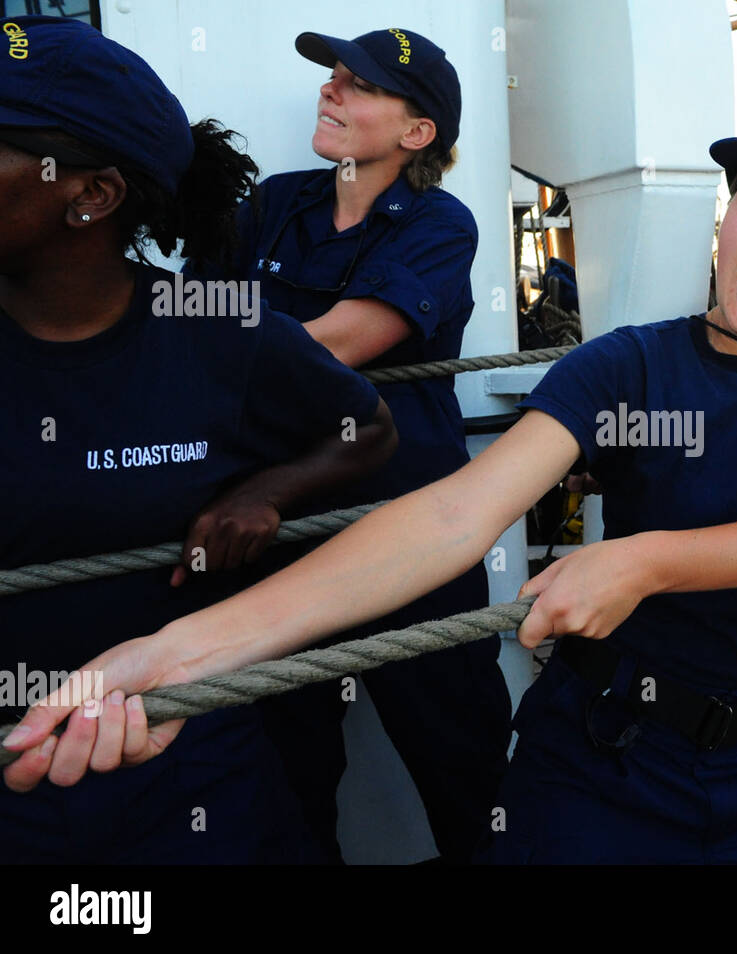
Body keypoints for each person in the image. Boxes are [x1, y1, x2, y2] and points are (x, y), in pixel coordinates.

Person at [5, 111, 737, 865]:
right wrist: (172, 655)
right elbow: (453, 515)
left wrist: (642, 561)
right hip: (608, 754)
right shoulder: (625, 365)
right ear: (725, 226)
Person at [0, 16, 397, 862]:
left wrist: (269, 493)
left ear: (92, 196)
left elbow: (365, 426)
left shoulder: (216, 330)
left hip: (188, 771)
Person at [187, 27, 512, 864]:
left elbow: (344, 341)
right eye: (332, 77)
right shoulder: (271, 203)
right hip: (278, 534)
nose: (330, 91)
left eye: (357, 84)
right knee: (285, 772)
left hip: (409, 536)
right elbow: (187, 328)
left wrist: (229, 350)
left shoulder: (441, 223)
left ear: (416, 133)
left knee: (460, 759)